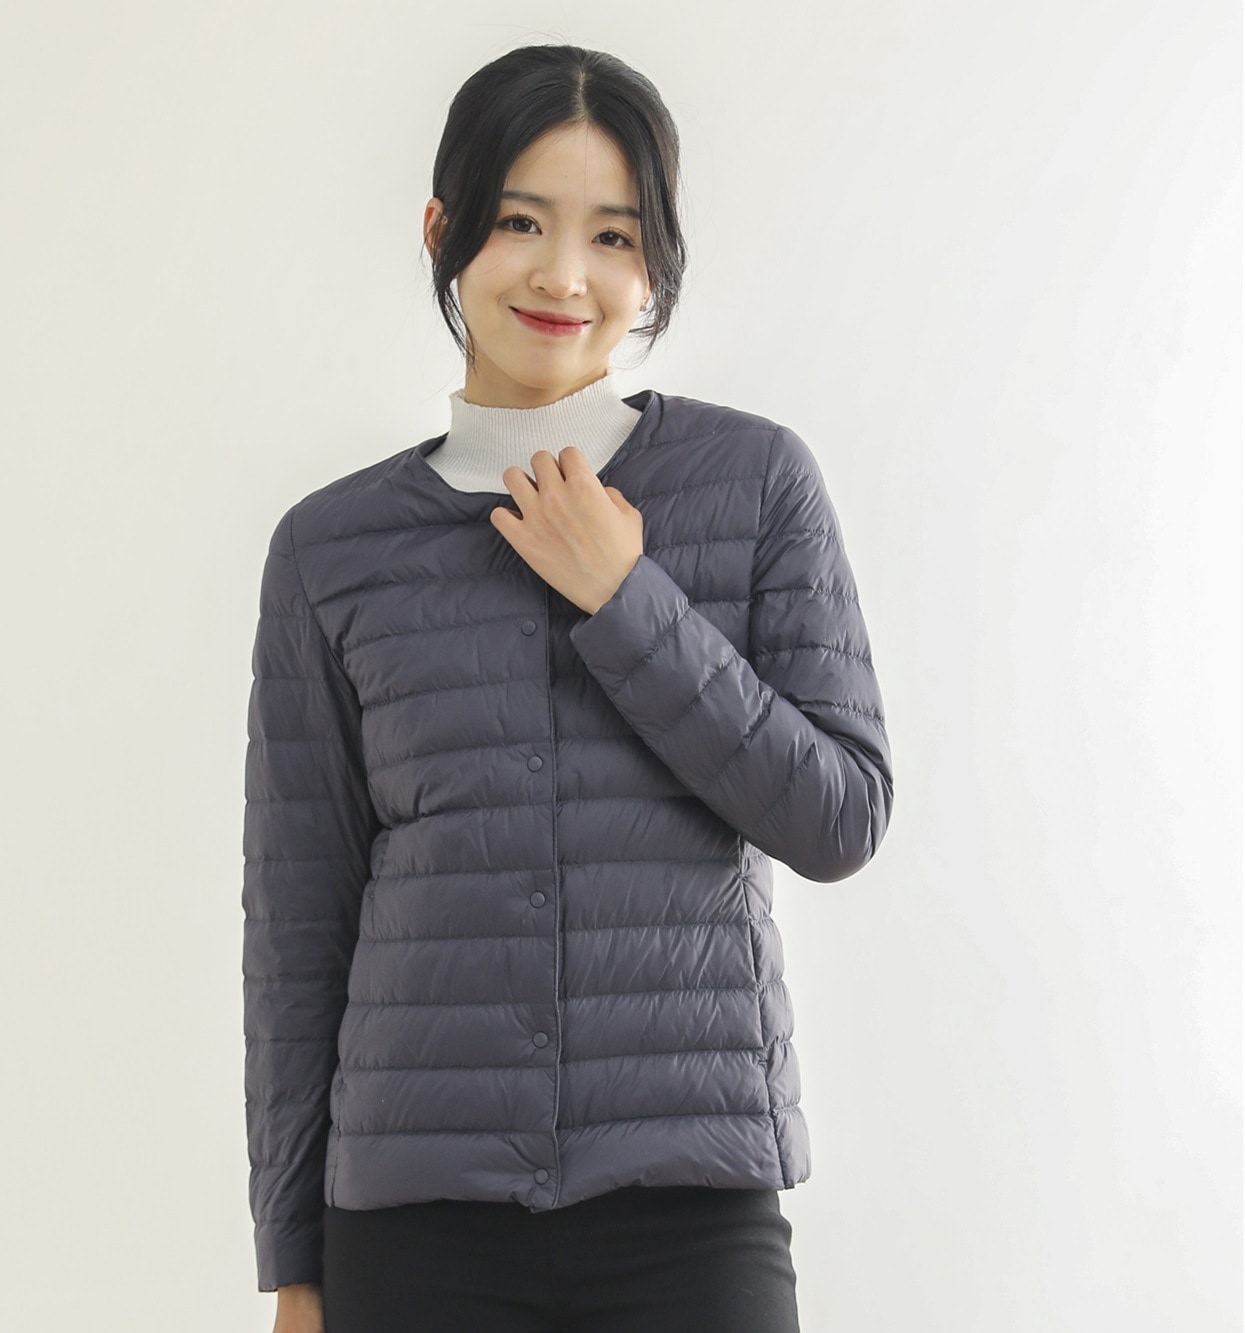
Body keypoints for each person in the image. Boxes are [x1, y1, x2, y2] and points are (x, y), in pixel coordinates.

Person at [242, 42, 894, 1333]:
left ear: (653, 266)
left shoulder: (755, 483)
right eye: (519, 221)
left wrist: (627, 598)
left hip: (690, 1206)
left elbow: (840, 815)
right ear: (443, 230)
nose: (562, 276)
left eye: (612, 235)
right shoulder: (328, 549)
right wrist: (294, 1264)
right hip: (412, 1226)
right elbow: (298, 930)